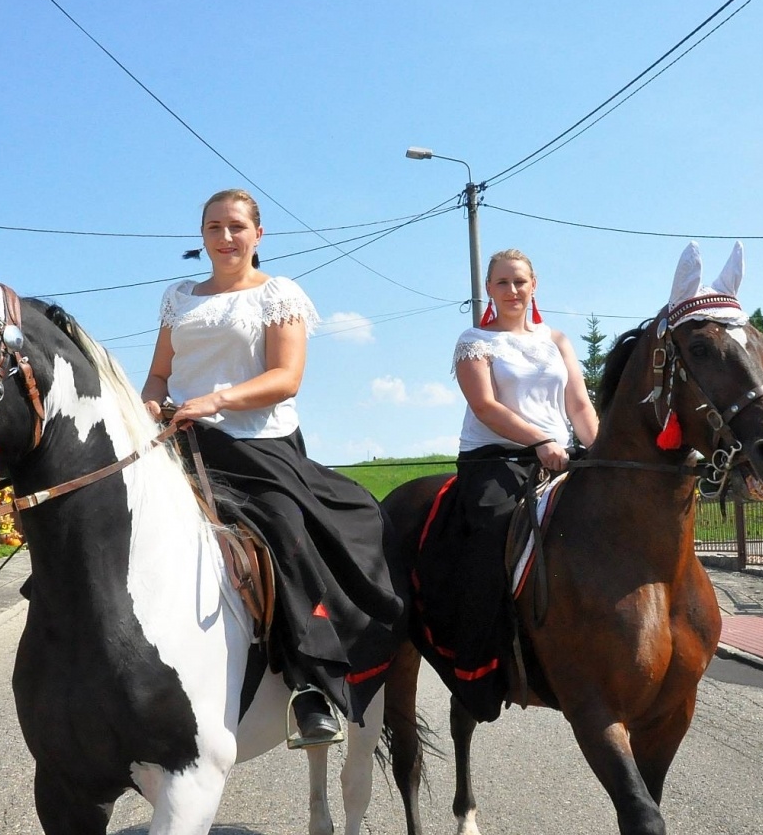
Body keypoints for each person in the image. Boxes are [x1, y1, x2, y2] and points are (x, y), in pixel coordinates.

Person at [141, 188, 404, 748]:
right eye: (214, 226)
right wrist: (148, 402)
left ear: (258, 235)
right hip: (179, 441)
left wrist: (214, 401)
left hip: (257, 445)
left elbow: (286, 377)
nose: (225, 236)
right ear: (202, 236)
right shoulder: (178, 297)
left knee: (284, 529)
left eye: (237, 226)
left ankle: (311, 686)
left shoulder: (277, 294)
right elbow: (160, 374)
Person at [416, 248, 599, 721]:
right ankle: (479, 667)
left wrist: (600, 454)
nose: (512, 290)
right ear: (489, 290)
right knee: (496, 531)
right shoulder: (475, 341)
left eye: (519, 281)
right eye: (502, 283)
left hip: (559, 456)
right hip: (495, 459)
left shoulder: (556, 339)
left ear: (534, 283)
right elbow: (486, 407)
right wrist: (540, 440)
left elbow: (578, 405)